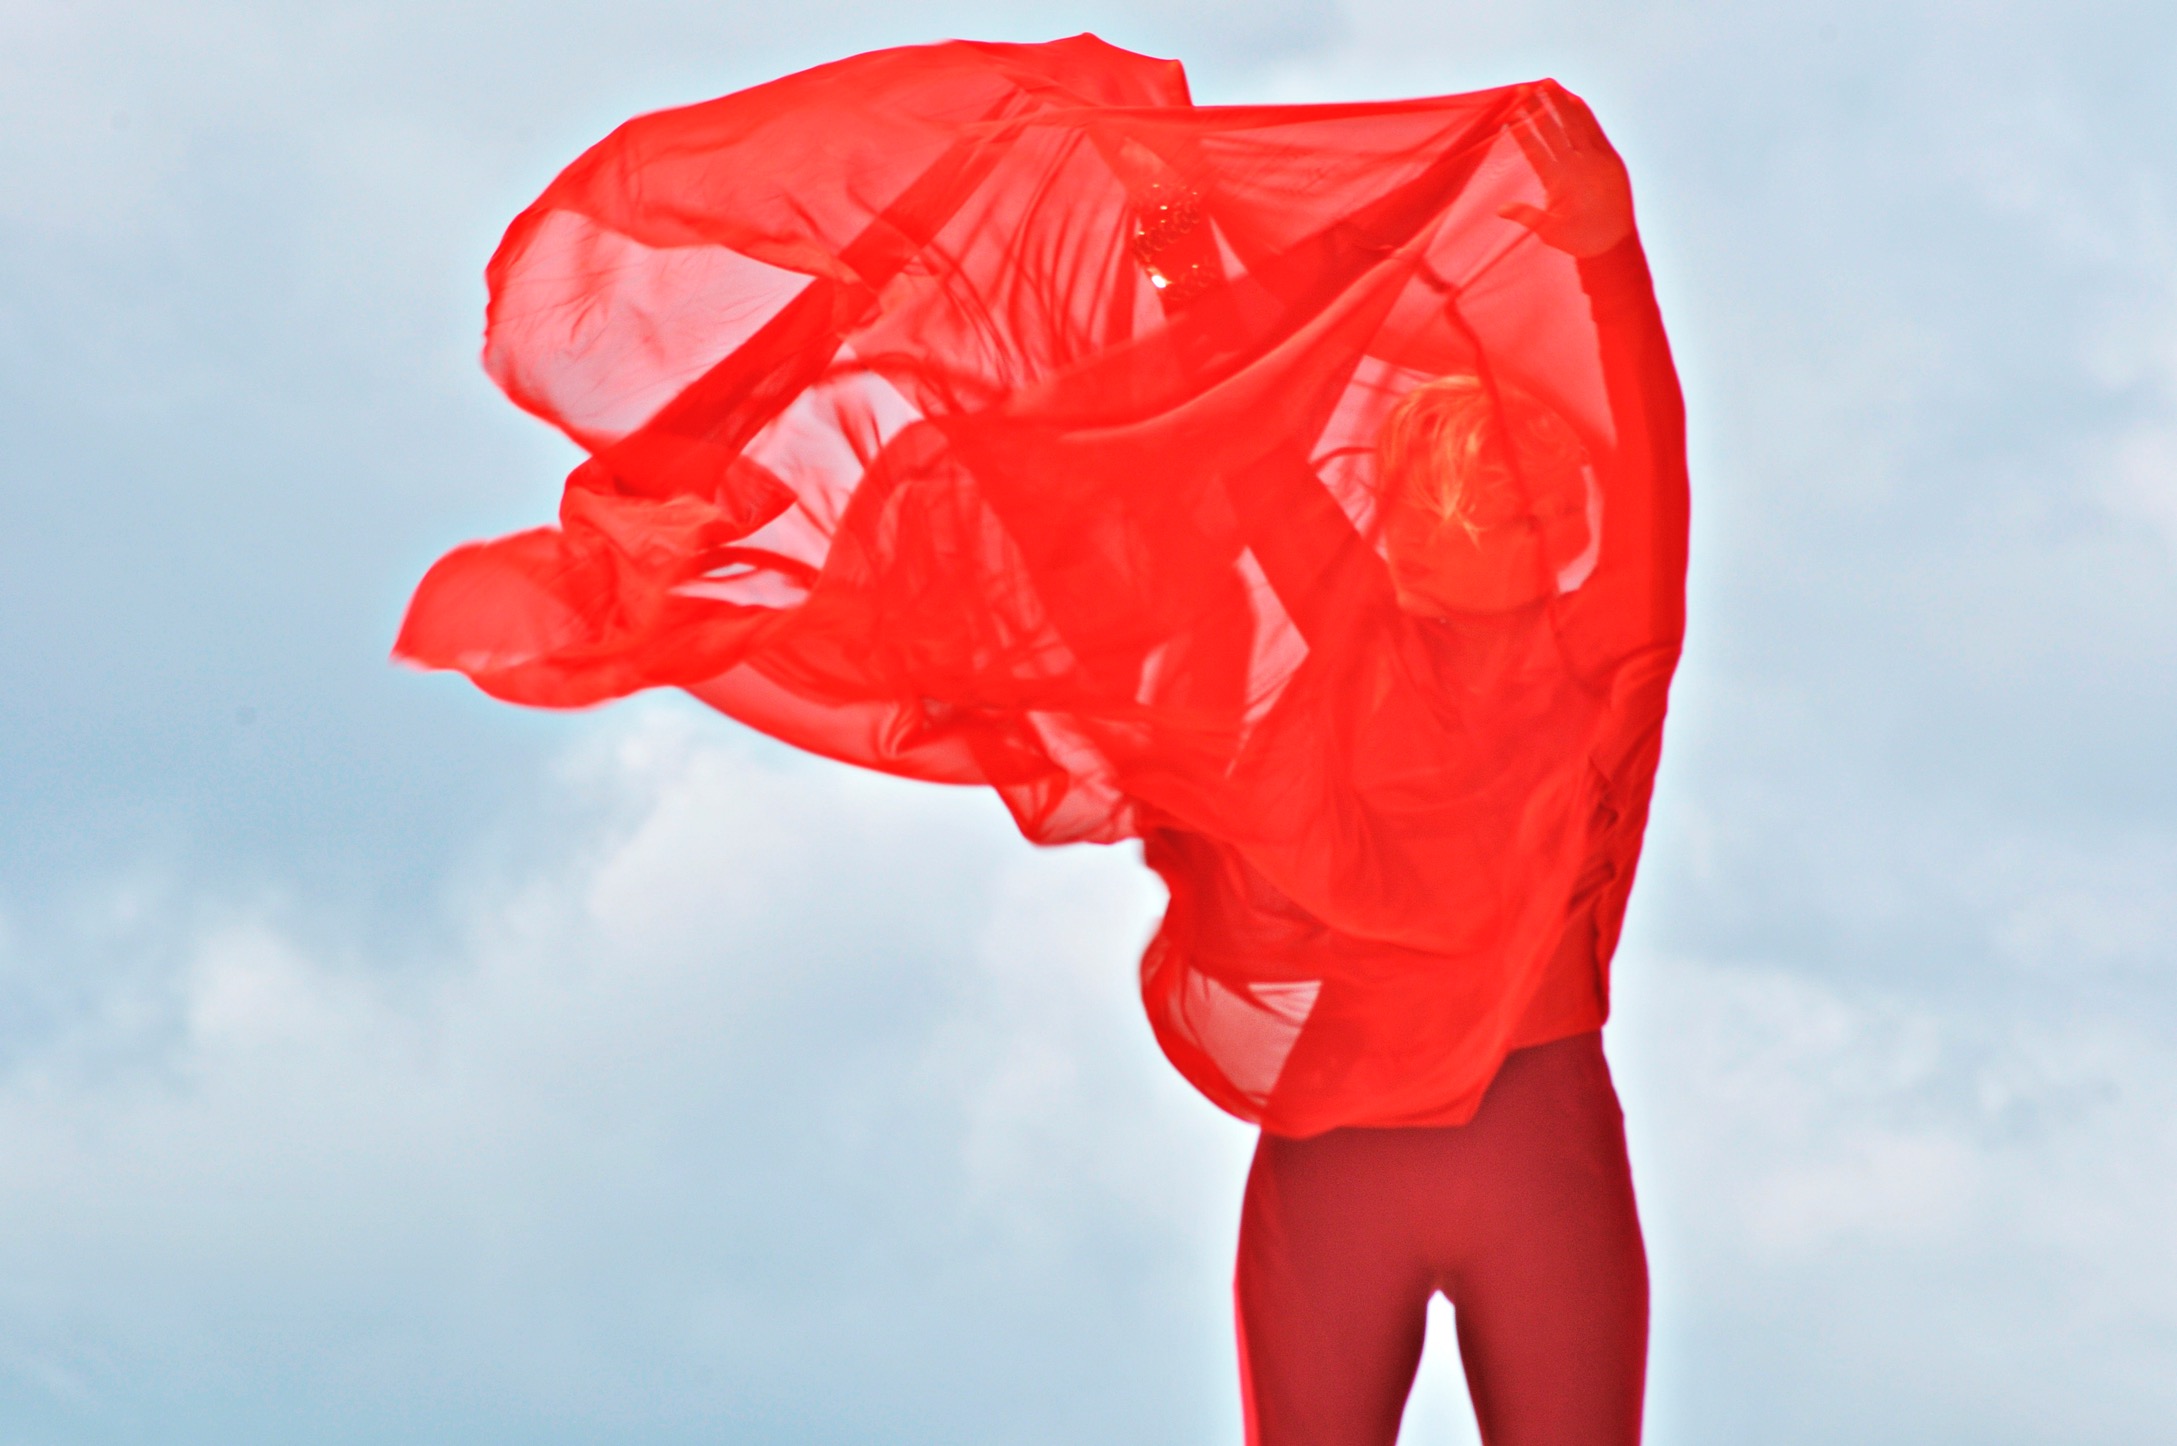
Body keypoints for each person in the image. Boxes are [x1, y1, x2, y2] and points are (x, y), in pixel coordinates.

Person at [397, 35, 1687, 1445]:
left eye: (1508, 496)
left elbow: (1648, 473)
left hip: (1522, 1146)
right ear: (1400, 533)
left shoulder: (1599, 675)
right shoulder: (1359, 655)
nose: (1485, 517)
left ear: (1561, 527)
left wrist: (1604, 262)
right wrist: (1177, 243)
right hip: (1355, 1158)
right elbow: (1249, 440)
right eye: (1452, 499)